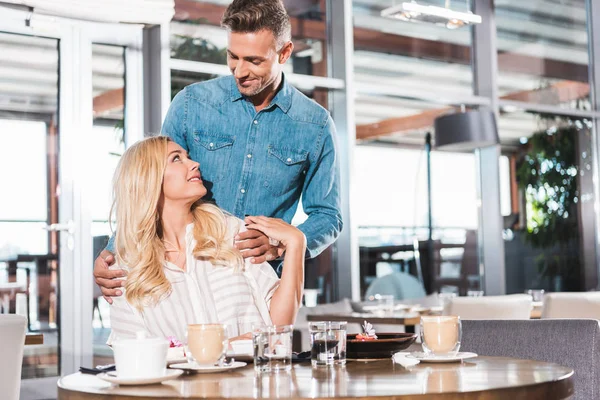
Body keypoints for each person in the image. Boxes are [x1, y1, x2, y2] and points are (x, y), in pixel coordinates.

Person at [94, 0, 342, 302]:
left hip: (260, 286)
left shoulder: (314, 124)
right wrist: (112, 250)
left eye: (254, 60)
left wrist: (280, 245)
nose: (240, 71)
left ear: (285, 53)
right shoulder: (191, 104)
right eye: (233, 57)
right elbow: (152, 183)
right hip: (184, 280)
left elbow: (328, 215)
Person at [108, 136, 305, 342]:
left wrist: (296, 243)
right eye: (176, 159)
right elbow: (133, 356)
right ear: (147, 178)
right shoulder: (126, 268)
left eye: (188, 157)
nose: (195, 164)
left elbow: (279, 328)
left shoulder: (231, 232)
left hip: (251, 374)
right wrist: (225, 347)